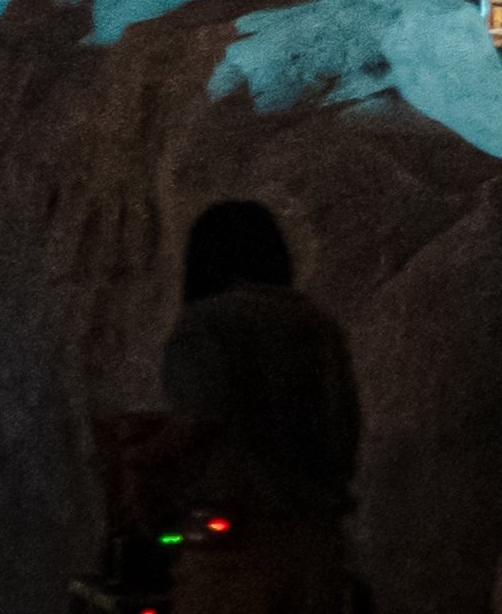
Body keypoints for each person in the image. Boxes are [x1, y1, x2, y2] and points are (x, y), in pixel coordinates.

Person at [127, 196, 362, 614]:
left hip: (234, 554)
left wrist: (140, 461)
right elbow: (345, 434)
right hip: (319, 550)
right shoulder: (319, 326)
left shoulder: (208, 323)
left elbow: (199, 418)